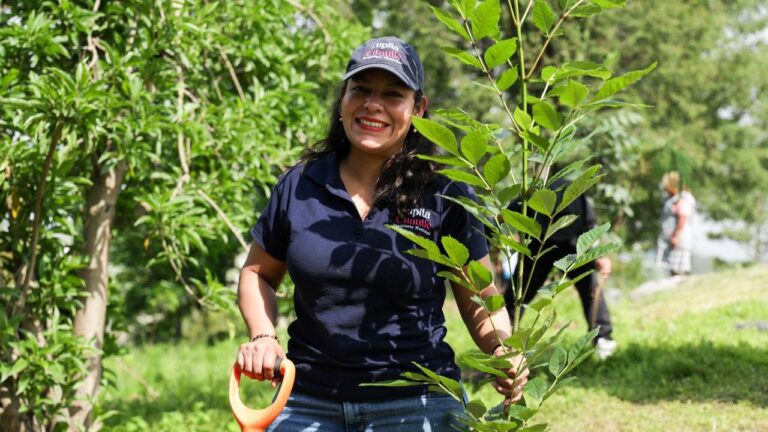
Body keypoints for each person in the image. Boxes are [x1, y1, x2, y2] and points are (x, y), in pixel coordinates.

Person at [235, 36, 528, 431]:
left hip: (417, 403)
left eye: (392, 94)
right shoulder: (299, 185)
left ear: (418, 109)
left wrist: (502, 349)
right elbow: (257, 273)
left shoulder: (444, 192)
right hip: (307, 401)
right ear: (343, 99)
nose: (373, 104)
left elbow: (480, 296)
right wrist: (262, 337)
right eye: (361, 90)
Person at [503, 178, 617, 360]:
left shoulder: (576, 197)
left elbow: (591, 228)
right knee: (518, 295)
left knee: (591, 290)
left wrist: (599, 256)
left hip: (573, 248)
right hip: (538, 247)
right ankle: (502, 340)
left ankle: (603, 338)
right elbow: (506, 215)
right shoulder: (532, 195)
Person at [656, 171, 696, 276]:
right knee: (673, 268)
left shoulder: (682, 198)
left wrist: (676, 236)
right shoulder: (671, 198)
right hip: (673, 240)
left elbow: (683, 217)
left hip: (680, 240)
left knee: (680, 270)